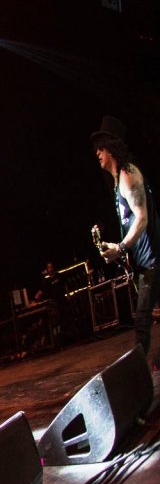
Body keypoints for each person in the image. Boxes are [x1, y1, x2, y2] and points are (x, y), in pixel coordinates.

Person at [92, 115, 160, 366]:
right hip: (146, 262)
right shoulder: (118, 181)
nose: (97, 153)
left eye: (101, 148)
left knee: (142, 319)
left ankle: (138, 373)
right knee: (151, 314)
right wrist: (117, 250)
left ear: (111, 148)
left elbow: (142, 218)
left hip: (154, 259)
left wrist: (121, 247)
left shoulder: (128, 174)